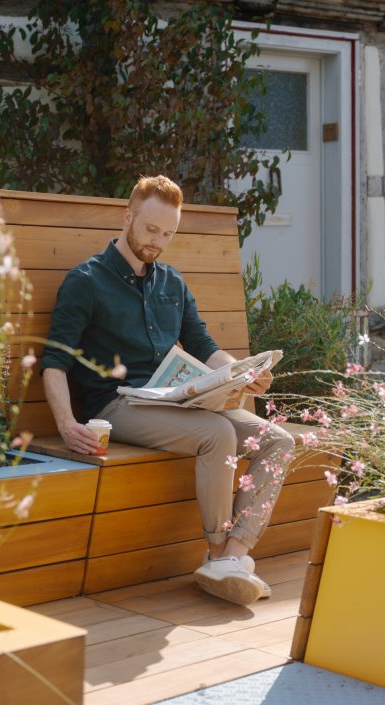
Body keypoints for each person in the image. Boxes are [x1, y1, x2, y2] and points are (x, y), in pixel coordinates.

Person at [40, 175, 295, 606]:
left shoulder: (171, 283)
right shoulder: (86, 281)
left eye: (168, 234)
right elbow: (55, 362)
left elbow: (204, 346)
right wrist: (66, 423)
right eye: (151, 229)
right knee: (217, 434)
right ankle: (217, 553)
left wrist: (241, 374)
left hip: (173, 401)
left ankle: (234, 555)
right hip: (116, 404)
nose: (158, 241)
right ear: (128, 217)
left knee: (276, 439)